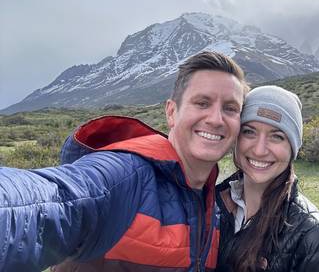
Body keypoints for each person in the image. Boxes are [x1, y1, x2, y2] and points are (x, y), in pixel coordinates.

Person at [0, 51, 249, 272]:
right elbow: (51, 201)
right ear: (171, 112)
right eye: (202, 103)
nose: (216, 119)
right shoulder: (125, 175)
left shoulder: (213, 204)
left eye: (230, 108)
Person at [216, 86, 319, 272]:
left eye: (277, 136)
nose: (259, 150)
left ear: (292, 149)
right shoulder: (210, 206)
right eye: (249, 132)